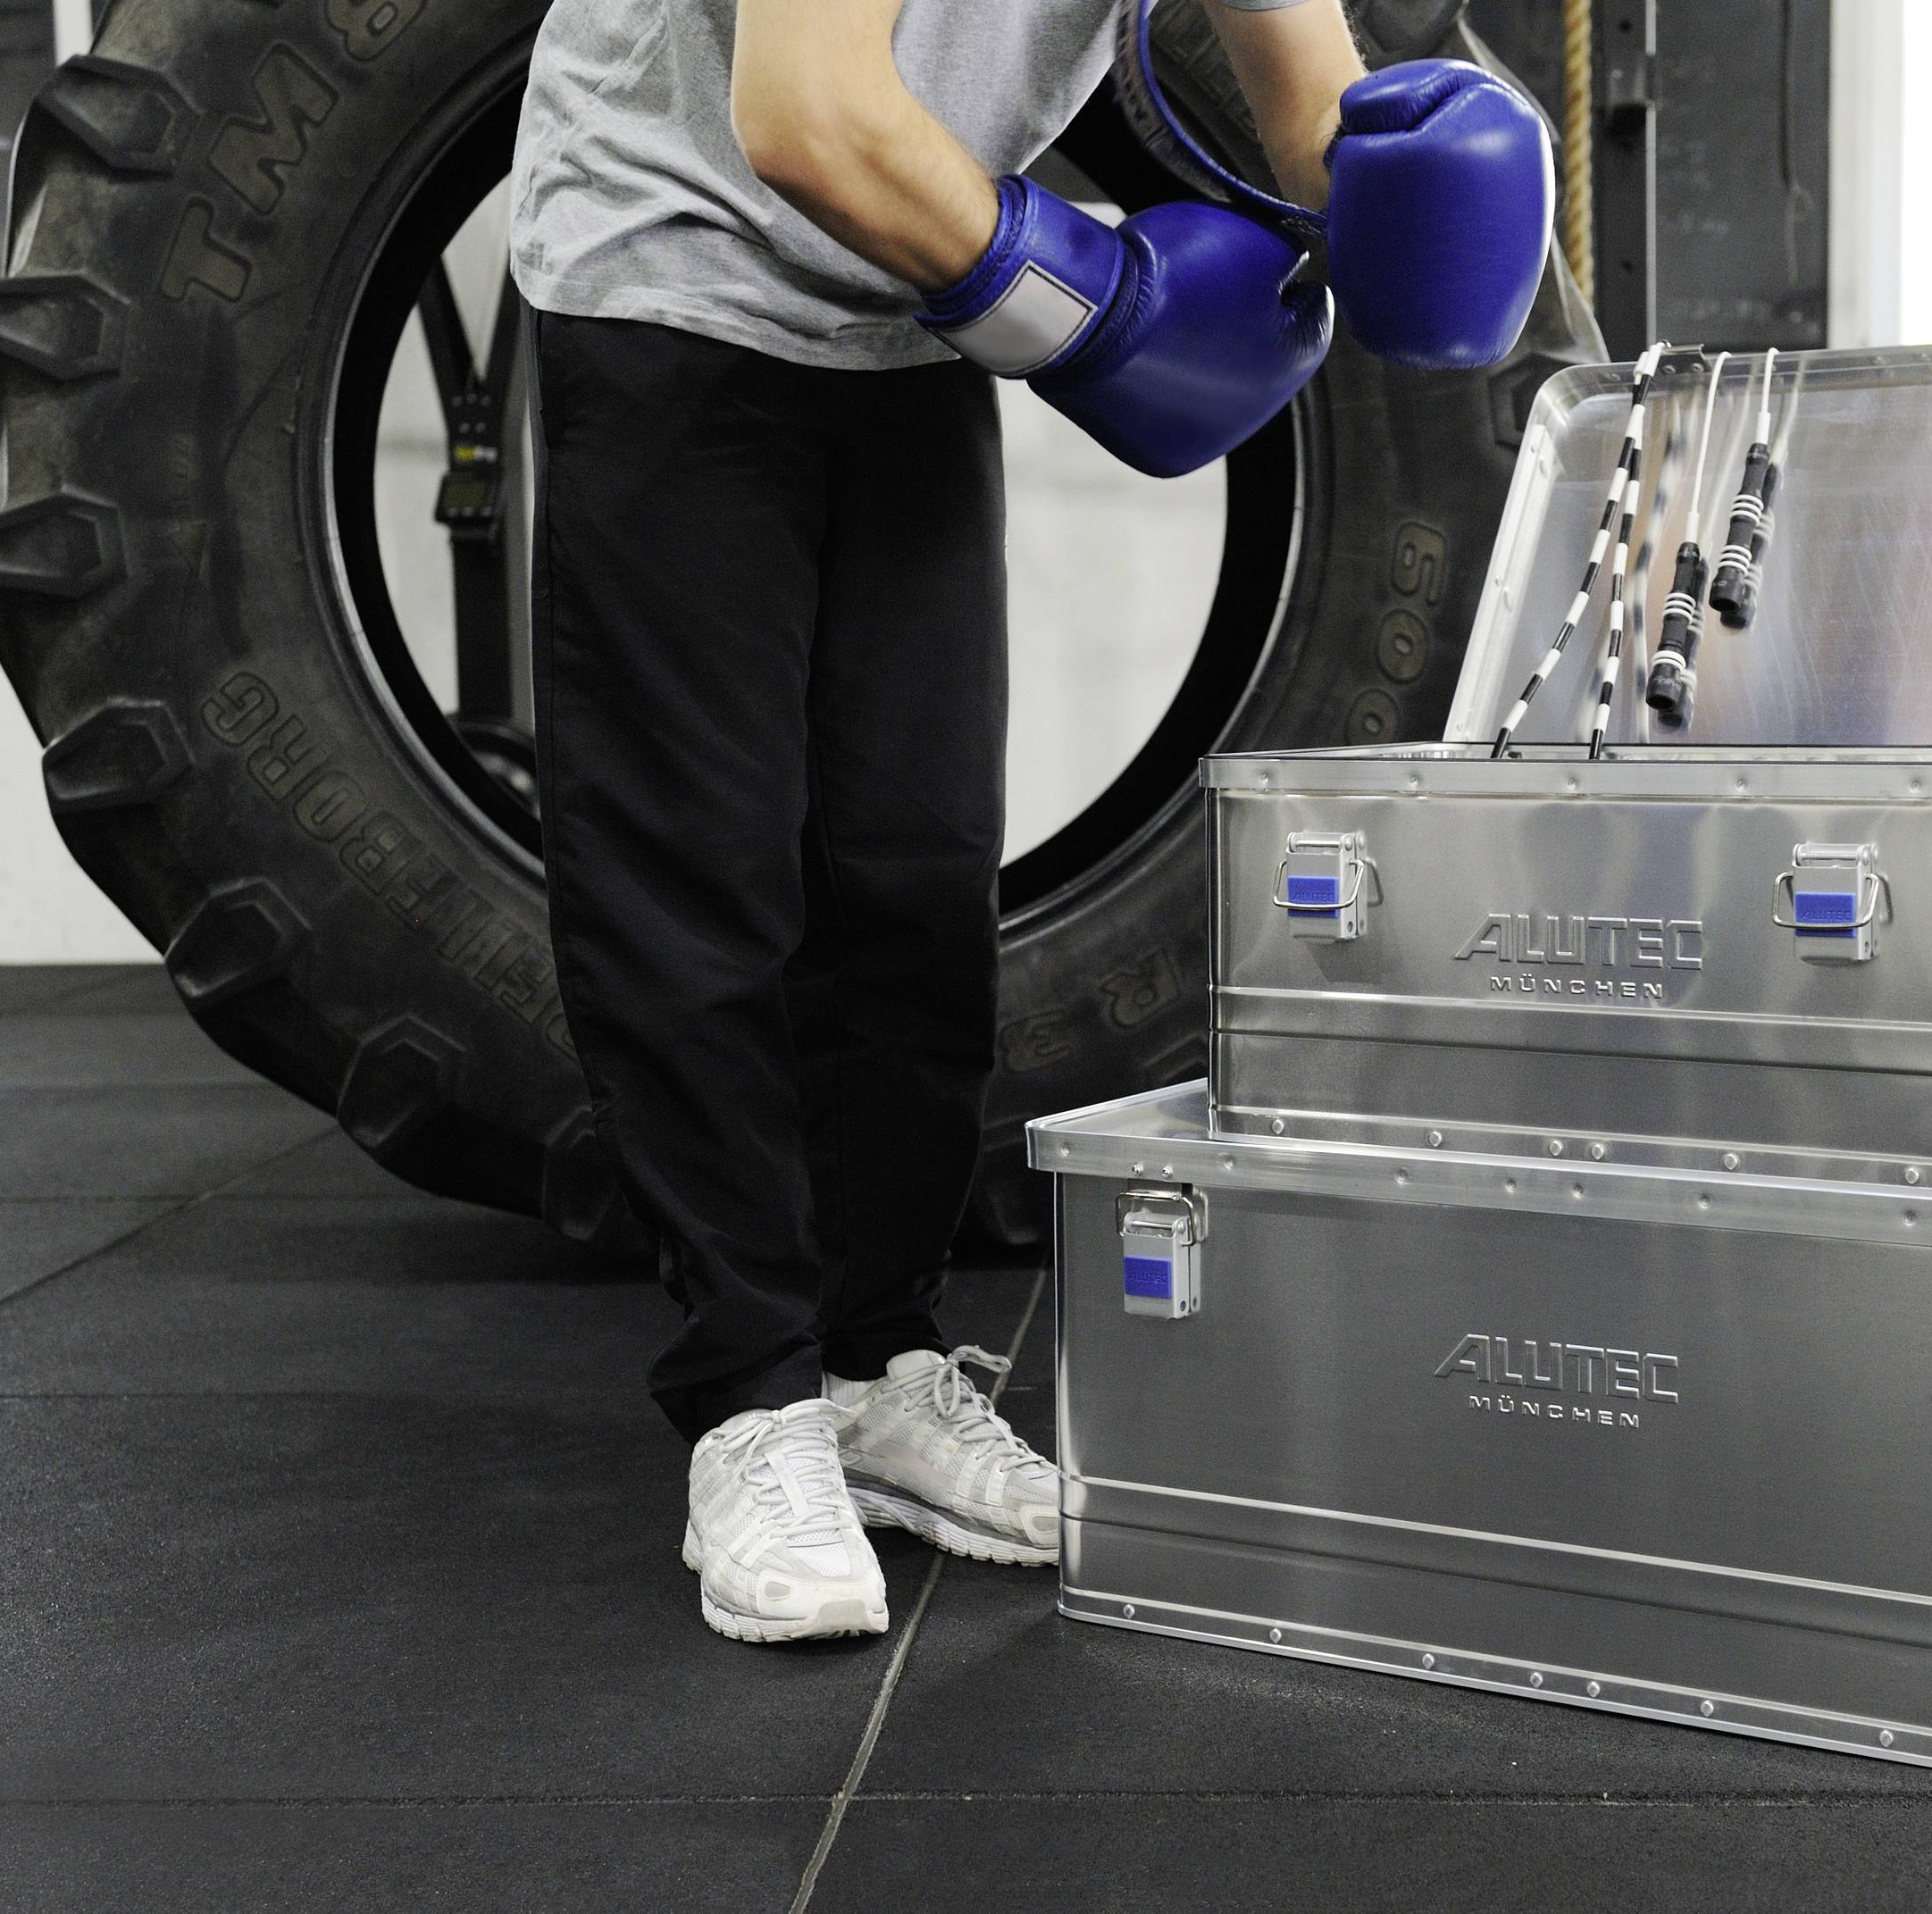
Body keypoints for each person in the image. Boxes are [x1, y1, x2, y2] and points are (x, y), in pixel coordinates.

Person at [507, 0, 1551, 1643]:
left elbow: (1307, 102)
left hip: (903, 303)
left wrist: (1420, 213)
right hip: (677, 273)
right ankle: (751, 1404)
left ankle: (875, 1370)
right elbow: (808, 119)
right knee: (700, 869)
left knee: (910, 869)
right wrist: (1106, 306)